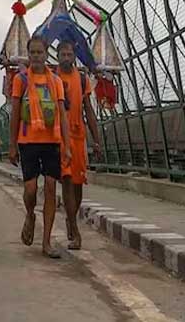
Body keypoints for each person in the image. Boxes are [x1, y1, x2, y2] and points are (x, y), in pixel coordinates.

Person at [9, 35, 72, 258]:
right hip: (28, 141)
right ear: (28, 55)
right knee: (31, 190)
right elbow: (15, 113)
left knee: (51, 188)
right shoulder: (21, 80)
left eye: (40, 52)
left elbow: (62, 115)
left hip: (51, 141)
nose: (36, 56)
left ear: (46, 55)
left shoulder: (55, 81)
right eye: (32, 52)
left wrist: (66, 146)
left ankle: (46, 242)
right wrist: (12, 145)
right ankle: (30, 214)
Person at [55, 41, 102, 250]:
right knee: (66, 181)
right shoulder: (53, 78)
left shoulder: (82, 80)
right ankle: (75, 230)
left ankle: (70, 217)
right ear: (57, 56)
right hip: (59, 138)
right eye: (63, 55)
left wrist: (97, 140)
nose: (66, 58)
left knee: (78, 184)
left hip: (77, 136)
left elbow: (88, 110)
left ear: (74, 56)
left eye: (69, 55)